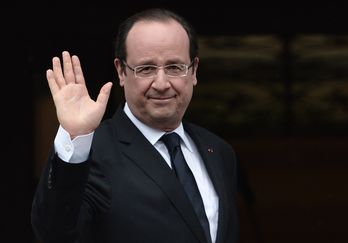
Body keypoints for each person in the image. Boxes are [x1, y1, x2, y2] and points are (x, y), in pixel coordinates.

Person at [31, 8, 239, 243]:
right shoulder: (94, 152)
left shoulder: (218, 151)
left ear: (193, 71)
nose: (161, 84)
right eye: (146, 68)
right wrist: (75, 135)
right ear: (121, 71)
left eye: (174, 67)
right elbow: (54, 232)